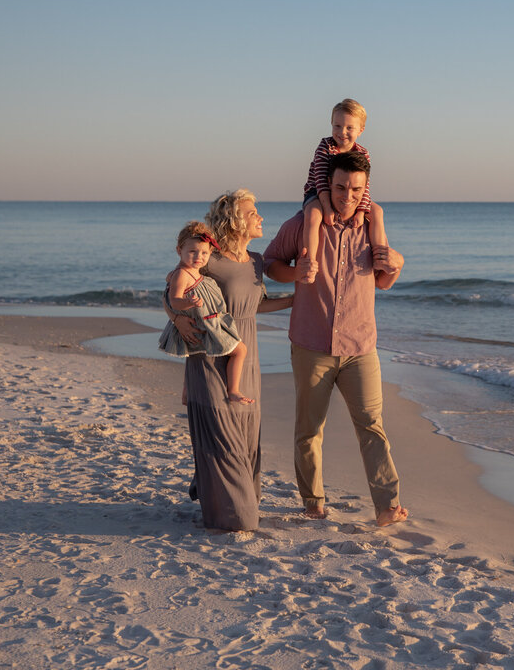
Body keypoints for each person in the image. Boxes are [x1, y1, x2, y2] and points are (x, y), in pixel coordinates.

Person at [264, 150, 409, 526]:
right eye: (341, 186)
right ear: (329, 185)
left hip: (360, 347)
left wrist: (396, 266)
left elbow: (383, 281)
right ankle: (313, 501)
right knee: (309, 429)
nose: (347, 195)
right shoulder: (302, 224)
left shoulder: (371, 229)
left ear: (365, 191)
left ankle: (387, 507)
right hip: (311, 345)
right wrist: (297, 275)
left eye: (355, 189)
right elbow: (270, 263)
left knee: (372, 426)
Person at [167, 190, 293, 532]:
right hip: (210, 357)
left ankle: (234, 504)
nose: (260, 218)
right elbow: (174, 289)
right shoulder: (209, 259)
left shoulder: (256, 261)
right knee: (223, 437)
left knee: (245, 436)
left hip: (245, 354)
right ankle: (231, 515)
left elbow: (253, 308)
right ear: (235, 220)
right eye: (253, 212)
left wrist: (295, 300)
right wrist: (177, 319)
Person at [159, 221, 253, 404]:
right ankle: (233, 390)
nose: (198, 257)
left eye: (204, 253)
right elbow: (174, 300)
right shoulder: (182, 274)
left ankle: (186, 392)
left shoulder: (192, 272)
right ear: (179, 251)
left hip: (204, 320)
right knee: (240, 350)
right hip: (204, 325)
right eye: (192, 252)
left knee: (192, 357)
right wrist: (187, 303)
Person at [299, 98, 388, 284]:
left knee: (377, 212)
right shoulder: (325, 147)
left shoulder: (362, 153)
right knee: (314, 215)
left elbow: (365, 186)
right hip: (317, 191)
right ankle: (310, 262)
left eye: (349, 128)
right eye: (337, 126)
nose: (342, 132)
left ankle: (380, 258)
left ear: (360, 130)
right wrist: (327, 208)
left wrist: (362, 211)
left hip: (351, 194)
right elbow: (321, 180)